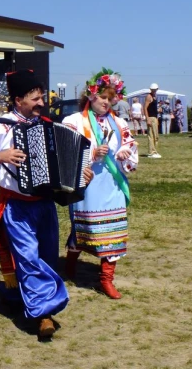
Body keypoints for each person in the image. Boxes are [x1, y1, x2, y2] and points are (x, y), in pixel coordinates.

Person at [0, 69, 92, 338]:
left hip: (45, 205)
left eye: (41, 97)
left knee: (47, 258)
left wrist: (82, 173)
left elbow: (68, 166)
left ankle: (18, 297)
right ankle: (44, 315)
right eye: (35, 98)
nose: (41, 102)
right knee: (28, 259)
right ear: (18, 100)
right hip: (17, 207)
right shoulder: (0, 127)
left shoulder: (48, 125)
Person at [61, 69, 137, 300]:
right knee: (84, 228)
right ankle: (70, 266)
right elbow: (65, 152)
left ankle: (106, 279)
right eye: (103, 97)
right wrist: (92, 154)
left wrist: (125, 152)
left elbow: (130, 144)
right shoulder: (74, 122)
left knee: (114, 229)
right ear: (91, 96)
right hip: (87, 182)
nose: (107, 102)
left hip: (111, 183)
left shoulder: (119, 122)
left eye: (111, 98)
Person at [144, 83, 161, 158]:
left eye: (155, 89)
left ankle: (154, 151)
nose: (154, 90)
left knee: (156, 135)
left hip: (154, 117)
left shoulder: (155, 97)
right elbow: (145, 108)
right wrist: (147, 119)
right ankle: (151, 152)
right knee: (151, 135)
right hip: (150, 117)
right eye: (153, 89)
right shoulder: (149, 96)